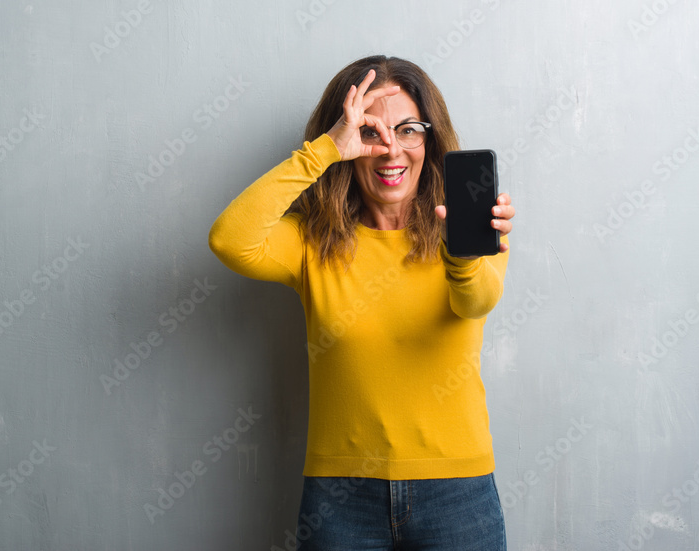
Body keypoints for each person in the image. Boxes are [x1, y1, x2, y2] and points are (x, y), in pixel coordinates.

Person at [208, 55, 515, 550]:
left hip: (456, 492)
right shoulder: (312, 241)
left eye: (409, 129)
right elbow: (229, 240)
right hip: (340, 498)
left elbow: (476, 301)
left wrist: (460, 250)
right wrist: (323, 151)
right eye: (371, 132)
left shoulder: (471, 226)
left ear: (429, 140)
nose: (391, 150)